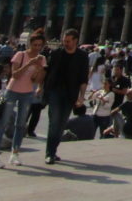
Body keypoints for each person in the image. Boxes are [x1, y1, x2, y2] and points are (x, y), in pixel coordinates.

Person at [0, 28, 47, 168]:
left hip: (27, 93)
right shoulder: (20, 55)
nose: (37, 48)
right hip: (12, 91)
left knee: (21, 125)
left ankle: (15, 154)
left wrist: (39, 68)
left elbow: (36, 79)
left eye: (40, 45)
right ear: (29, 44)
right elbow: (15, 75)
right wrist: (29, 63)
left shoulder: (42, 59)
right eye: (35, 45)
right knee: (3, 123)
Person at [43, 28, 89, 165]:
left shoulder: (82, 56)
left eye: (68, 41)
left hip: (70, 94)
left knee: (62, 124)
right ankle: (49, 153)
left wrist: (81, 97)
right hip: (55, 92)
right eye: (64, 41)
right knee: (54, 122)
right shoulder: (57, 53)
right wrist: (41, 88)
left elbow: (83, 78)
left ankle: (53, 151)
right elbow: (48, 72)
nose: (65, 43)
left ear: (76, 41)